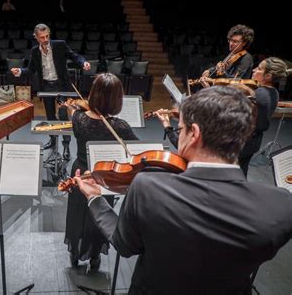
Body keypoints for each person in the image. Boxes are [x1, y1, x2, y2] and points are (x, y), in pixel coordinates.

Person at [74, 86, 291, 294]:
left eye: (181, 129)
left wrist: (95, 198)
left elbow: (124, 245)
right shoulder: (280, 206)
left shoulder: (147, 187)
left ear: (194, 133)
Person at [62, 73, 138, 271]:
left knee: (78, 214)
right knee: (100, 215)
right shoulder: (120, 126)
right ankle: (95, 255)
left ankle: (75, 254)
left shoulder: (79, 119)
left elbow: (74, 114)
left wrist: (73, 106)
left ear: (93, 95)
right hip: (105, 176)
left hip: (81, 172)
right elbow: (137, 149)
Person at [11, 23, 91, 159]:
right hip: (46, 86)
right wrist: (19, 71)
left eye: (47, 36)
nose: (45, 39)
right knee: (50, 116)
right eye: (42, 37)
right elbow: (31, 70)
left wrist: (83, 63)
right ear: (36, 37)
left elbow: (74, 56)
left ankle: (66, 146)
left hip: (62, 85)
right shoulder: (35, 51)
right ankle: (53, 140)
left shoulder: (60, 45)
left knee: (64, 115)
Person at [238, 57, 287, 175]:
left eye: (259, 69)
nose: (254, 70)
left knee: (234, 173)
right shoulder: (273, 92)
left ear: (268, 76)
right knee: (241, 172)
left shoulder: (259, 94)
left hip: (243, 142)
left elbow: (261, 123)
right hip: (253, 142)